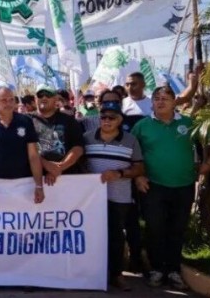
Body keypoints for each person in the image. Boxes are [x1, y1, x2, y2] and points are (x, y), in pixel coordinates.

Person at [132, 86, 197, 290]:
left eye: (165, 98)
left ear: (174, 101)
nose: (160, 102)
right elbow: (131, 153)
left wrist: (209, 164)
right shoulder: (142, 126)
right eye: (157, 98)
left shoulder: (189, 123)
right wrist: (138, 176)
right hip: (154, 185)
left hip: (184, 185)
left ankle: (174, 270)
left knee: (177, 229)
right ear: (152, 102)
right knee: (156, 228)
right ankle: (158, 269)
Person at [83, 100, 144, 291]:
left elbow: (139, 167)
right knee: (91, 236)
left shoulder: (130, 140)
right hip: (91, 198)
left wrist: (119, 174)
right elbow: (80, 162)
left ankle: (116, 275)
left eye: (112, 117)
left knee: (116, 236)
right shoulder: (86, 137)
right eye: (103, 117)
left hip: (119, 197)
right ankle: (91, 273)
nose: (106, 120)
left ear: (120, 120)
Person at [0, 86, 44, 204]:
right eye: (4, 100)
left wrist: (39, 186)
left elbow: (33, 156)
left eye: (11, 99)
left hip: (23, 185)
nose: (8, 103)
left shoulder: (25, 121)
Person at [30, 85, 84, 185]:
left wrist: (59, 167)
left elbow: (78, 148)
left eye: (48, 94)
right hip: (34, 181)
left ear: (56, 99)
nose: (44, 98)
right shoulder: (26, 121)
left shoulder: (69, 121)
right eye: (40, 95)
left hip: (66, 180)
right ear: (35, 98)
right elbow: (22, 149)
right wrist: (46, 164)